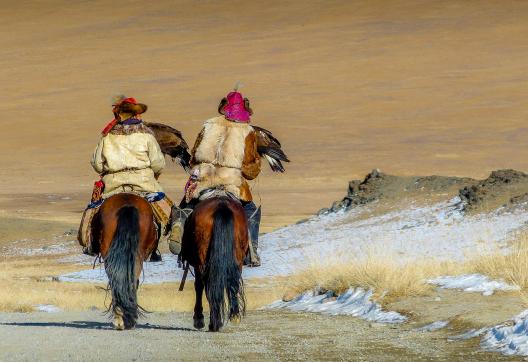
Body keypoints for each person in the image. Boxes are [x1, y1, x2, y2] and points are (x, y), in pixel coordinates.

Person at [170, 89, 262, 266]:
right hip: (232, 183)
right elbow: (250, 170)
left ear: (224, 108)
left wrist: (200, 167)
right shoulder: (248, 131)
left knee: (186, 205)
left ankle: (179, 229)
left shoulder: (209, 125)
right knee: (250, 210)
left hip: (204, 181)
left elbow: (194, 155)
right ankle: (252, 249)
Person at [78, 96, 175, 256]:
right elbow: (159, 164)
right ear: (136, 115)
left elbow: (97, 164)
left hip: (113, 187)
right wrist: (153, 175)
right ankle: (164, 241)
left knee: (91, 212)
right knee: (172, 212)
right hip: (145, 185)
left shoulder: (108, 137)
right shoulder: (147, 136)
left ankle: (90, 243)